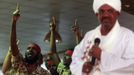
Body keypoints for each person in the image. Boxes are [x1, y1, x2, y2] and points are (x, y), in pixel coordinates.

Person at [70, 0, 134, 75]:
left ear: (117, 14)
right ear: (97, 15)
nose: (105, 15)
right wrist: (82, 67)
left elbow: (131, 66)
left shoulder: (128, 37)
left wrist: (102, 56)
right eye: (102, 11)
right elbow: (75, 58)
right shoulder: (89, 35)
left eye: (110, 11)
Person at [2, 5, 50, 75]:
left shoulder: (44, 73)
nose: (30, 50)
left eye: (33, 49)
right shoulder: (19, 63)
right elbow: (13, 46)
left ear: (38, 54)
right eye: (28, 48)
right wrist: (14, 22)